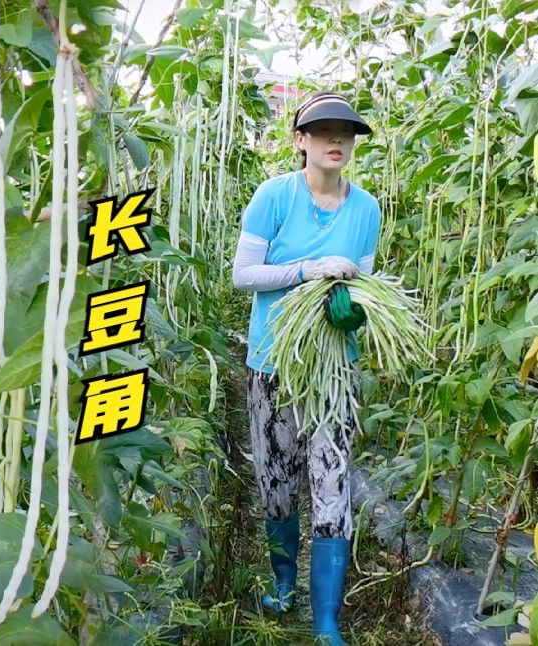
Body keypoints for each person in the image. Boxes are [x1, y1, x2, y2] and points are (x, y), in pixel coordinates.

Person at [230, 91, 380, 646]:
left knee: (332, 483)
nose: (336, 140)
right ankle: (284, 583)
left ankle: (326, 622)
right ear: (301, 141)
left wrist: (352, 312)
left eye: (346, 132)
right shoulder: (274, 197)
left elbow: (361, 283)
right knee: (276, 482)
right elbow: (244, 274)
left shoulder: (366, 209)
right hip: (273, 364)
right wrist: (307, 270)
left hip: (333, 372)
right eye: (323, 131)